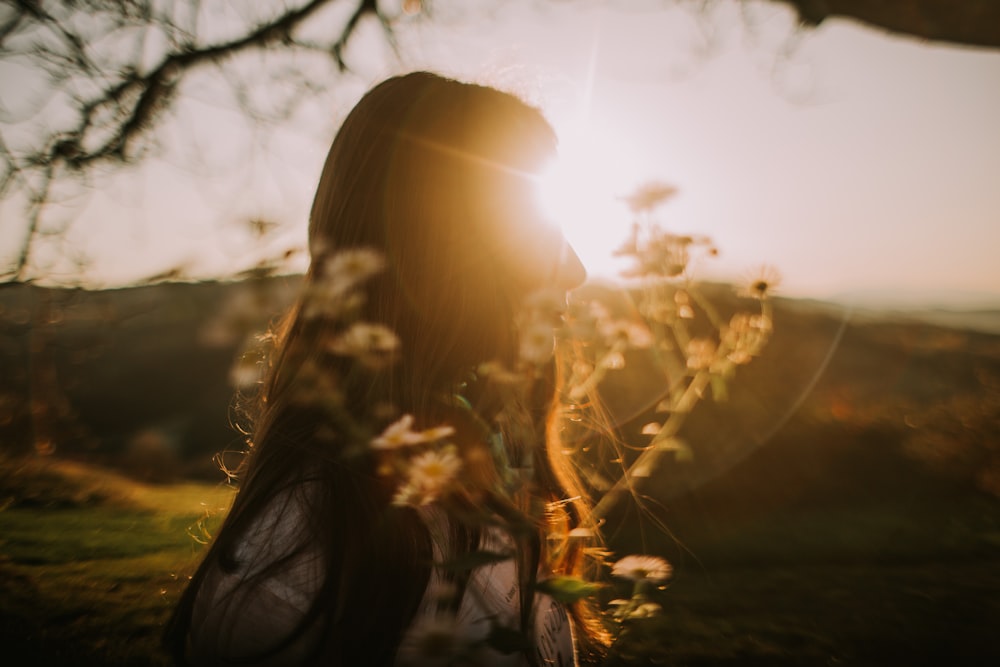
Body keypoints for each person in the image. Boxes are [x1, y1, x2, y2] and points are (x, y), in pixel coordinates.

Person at [164, 71, 607, 666]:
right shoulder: (295, 576)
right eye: (538, 228)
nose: (574, 269)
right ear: (440, 255)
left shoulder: (486, 488)